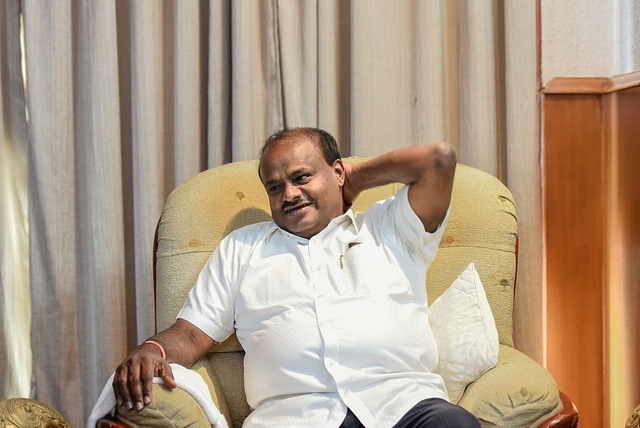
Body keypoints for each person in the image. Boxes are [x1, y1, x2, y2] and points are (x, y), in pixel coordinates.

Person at [112, 127, 480, 427]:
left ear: (337, 172)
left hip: (404, 406)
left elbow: (438, 159)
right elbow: (191, 333)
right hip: (293, 417)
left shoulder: (391, 227)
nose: (289, 193)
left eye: (301, 177)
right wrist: (152, 350)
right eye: (275, 187)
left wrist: (353, 180)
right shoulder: (242, 247)